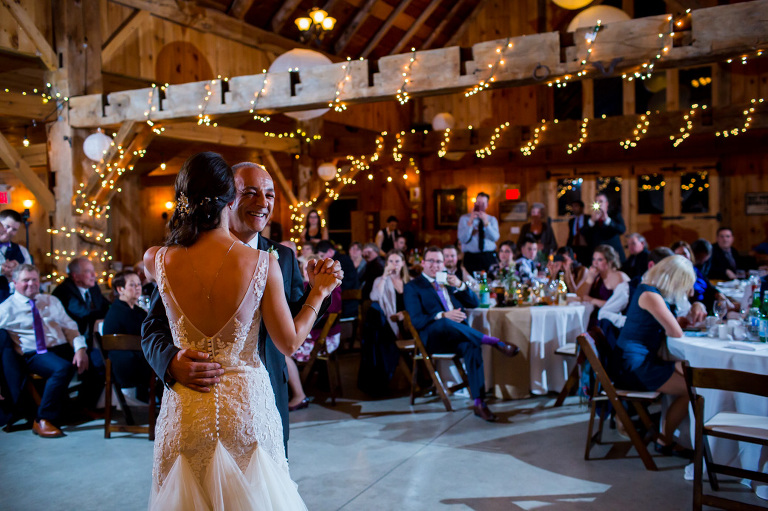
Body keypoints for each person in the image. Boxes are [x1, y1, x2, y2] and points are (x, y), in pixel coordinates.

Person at [142, 152, 339, 508]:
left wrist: (312, 292)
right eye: (250, 192)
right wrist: (170, 361)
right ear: (230, 197)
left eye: (269, 195)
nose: (262, 203)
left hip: (190, 413)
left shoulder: (158, 258)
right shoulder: (263, 264)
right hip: (242, 406)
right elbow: (291, 339)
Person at [403, 246, 519, 422]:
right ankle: (494, 341)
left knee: (472, 345)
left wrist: (460, 285)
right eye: (432, 261)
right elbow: (417, 320)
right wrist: (443, 315)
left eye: (439, 261)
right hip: (434, 337)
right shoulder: (413, 286)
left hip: (457, 336)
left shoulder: (448, 283)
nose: (435, 265)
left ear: (444, 264)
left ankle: (479, 403)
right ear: (423, 263)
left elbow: (474, 303)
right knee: (444, 321)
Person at [613, 255, 697, 455]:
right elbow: (675, 333)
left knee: (689, 376)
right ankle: (665, 440)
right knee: (692, 390)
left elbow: (669, 327)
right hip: (634, 367)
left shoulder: (649, 290)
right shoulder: (650, 295)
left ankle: (673, 436)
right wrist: (678, 323)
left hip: (636, 361)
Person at [0, 264, 89, 438]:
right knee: (62, 368)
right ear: (15, 282)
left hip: (62, 348)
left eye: (34, 279)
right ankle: (43, 419)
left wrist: (80, 349)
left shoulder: (50, 300)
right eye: (26, 280)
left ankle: (81, 408)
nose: (31, 284)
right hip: (35, 354)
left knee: (97, 359)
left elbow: (70, 327)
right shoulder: (6, 309)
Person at [285, 256, 343, 412]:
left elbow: (333, 311)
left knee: (281, 351)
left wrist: (318, 290)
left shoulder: (323, 284)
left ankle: (298, 394)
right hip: (324, 334)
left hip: (321, 337)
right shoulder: (308, 285)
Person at [101, 270, 153, 402]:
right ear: (120, 289)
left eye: (139, 284)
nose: (137, 288)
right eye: (132, 285)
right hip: (125, 362)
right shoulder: (118, 310)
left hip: (137, 356)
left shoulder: (136, 310)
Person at [52, 257, 111, 349]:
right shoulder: (64, 291)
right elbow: (85, 314)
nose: (94, 275)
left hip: (93, 335)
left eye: (93, 271)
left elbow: (106, 306)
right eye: (88, 271)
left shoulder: (93, 288)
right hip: (73, 340)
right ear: (75, 276)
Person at [577, 245, 629, 328]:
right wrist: (589, 279)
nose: (595, 263)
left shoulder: (618, 276)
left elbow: (618, 305)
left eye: (600, 260)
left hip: (608, 322)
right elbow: (580, 296)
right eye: (594, 259)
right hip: (592, 317)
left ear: (610, 261)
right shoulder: (596, 276)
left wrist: (592, 300)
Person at [458, 192, 500, 274]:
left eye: (483, 203)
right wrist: (470, 221)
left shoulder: (492, 220)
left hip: (488, 256)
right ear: (475, 203)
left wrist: (486, 223)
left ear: (487, 205)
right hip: (471, 257)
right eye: (478, 203)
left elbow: (495, 238)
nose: (480, 205)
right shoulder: (464, 219)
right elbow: (462, 239)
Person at [316, 240, 359, 318]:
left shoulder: (340, 261)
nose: (321, 259)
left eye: (322, 256)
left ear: (330, 251)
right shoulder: (340, 259)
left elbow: (346, 283)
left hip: (347, 303)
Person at [581, 193, 627, 263]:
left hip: (613, 255)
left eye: (601, 201)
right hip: (597, 256)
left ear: (606, 203)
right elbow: (583, 232)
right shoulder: (591, 218)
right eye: (596, 202)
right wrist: (592, 221)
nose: (599, 204)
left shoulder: (614, 215)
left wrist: (607, 220)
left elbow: (622, 230)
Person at [567, 200, 591, 266]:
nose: (574, 208)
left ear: (581, 208)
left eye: (576, 206)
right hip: (575, 248)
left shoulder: (588, 219)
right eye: (573, 207)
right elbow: (571, 236)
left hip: (586, 248)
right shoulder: (571, 221)